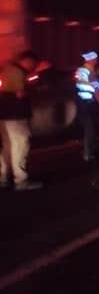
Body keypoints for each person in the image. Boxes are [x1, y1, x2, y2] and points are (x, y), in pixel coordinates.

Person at [0, 50, 48, 190]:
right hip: (15, 115)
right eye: (33, 64)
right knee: (20, 146)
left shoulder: (7, 70)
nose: (32, 66)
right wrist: (34, 86)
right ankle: (21, 180)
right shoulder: (16, 72)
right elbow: (20, 93)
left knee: (7, 147)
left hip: (4, 115)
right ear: (27, 61)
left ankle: (3, 177)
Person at [75, 51, 99, 162]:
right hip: (88, 103)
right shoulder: (89, 72)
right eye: (95, 59)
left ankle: (87, 152)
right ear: (92, 60)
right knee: (90, 129)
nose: (96, 61)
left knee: (88, 128)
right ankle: (88, 153)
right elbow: (96, 90)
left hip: (82, 102)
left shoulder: (81, 70)